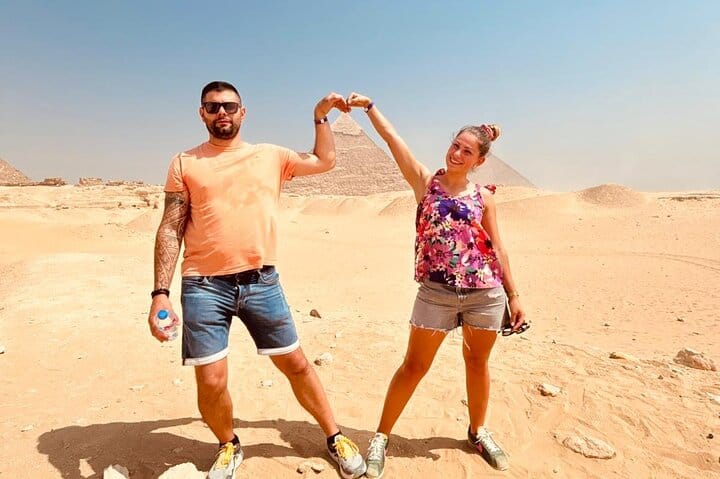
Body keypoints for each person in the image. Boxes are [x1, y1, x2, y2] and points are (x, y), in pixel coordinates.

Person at [148, 81, 367, 479]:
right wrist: (160, 293)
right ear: (201, 113)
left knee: (296, 364)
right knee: (211, 380)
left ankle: (335, 436)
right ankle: (228, 445)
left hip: (261, 282)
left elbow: (325, 161)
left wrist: (320, 117)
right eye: (213, 106)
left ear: (243, 112)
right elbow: (170, 227)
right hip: (203, 285)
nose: (222, 113)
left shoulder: (271, 156)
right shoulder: (185, 162)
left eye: (229, 106)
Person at [345, 92, 527, 477]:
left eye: (466, 151)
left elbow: (498, 247)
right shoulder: (425, 182)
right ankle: (381, 436)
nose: (456, 154)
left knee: (477, 363)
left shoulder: (485, 198)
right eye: (454, 145)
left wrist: (514, 295)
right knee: (413, 366)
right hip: (436, 292)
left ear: (480, 161)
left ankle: (477, 432)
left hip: (485, 293)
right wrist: (371, 108)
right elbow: (393, 140)